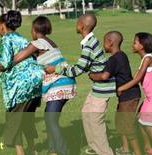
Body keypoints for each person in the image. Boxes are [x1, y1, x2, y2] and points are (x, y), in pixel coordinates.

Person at [45, 14, 116, 155]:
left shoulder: (89, 44)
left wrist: (56, 69)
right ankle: (94, 147)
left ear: (82, 26)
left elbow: (77, 70)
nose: (76, 24)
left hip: (102, 88)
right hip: (98, 86)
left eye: (77, 22)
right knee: (86, 112)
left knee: (95, 122)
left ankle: (105, 151)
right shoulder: (89, 41)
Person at [6, 16, 76, 155]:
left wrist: (1, 65)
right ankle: (52, 151)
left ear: (35, 29)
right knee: (50, 118)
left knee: (51, 119)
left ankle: (63, 152)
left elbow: (18, 58)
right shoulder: (50, 42)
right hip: (66, 82)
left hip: (58, 84)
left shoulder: (38, 43)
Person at [0, 10, 44, 155]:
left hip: (21, 87)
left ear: (2, 25)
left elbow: (4, 63)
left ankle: (20, 152)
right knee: (27, 119)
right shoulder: (21, 38)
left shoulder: (6, 39)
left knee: (14, 120)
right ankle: (33, 149)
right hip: (35, 84)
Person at [89, 31, 142, 155]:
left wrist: (92, 75)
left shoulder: (113, 59)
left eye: (104, 42)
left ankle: (137, 152)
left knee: (127, 126)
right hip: (126, 96)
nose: (103, 45)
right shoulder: (122, 55)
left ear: (110, 42)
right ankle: (125, 149)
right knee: (119, 122)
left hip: (129, 96)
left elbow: (104, 76)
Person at [118, 32, 152, 155]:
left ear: (142, 45)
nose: (132, 45)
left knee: (147, 123)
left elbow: (137, 79)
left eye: (135, 42)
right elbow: (134, 77)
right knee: (139, 119)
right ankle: (148, 148)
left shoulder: (148, 58)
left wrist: (121, 88)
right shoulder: (144, 59)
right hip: (148, 99)